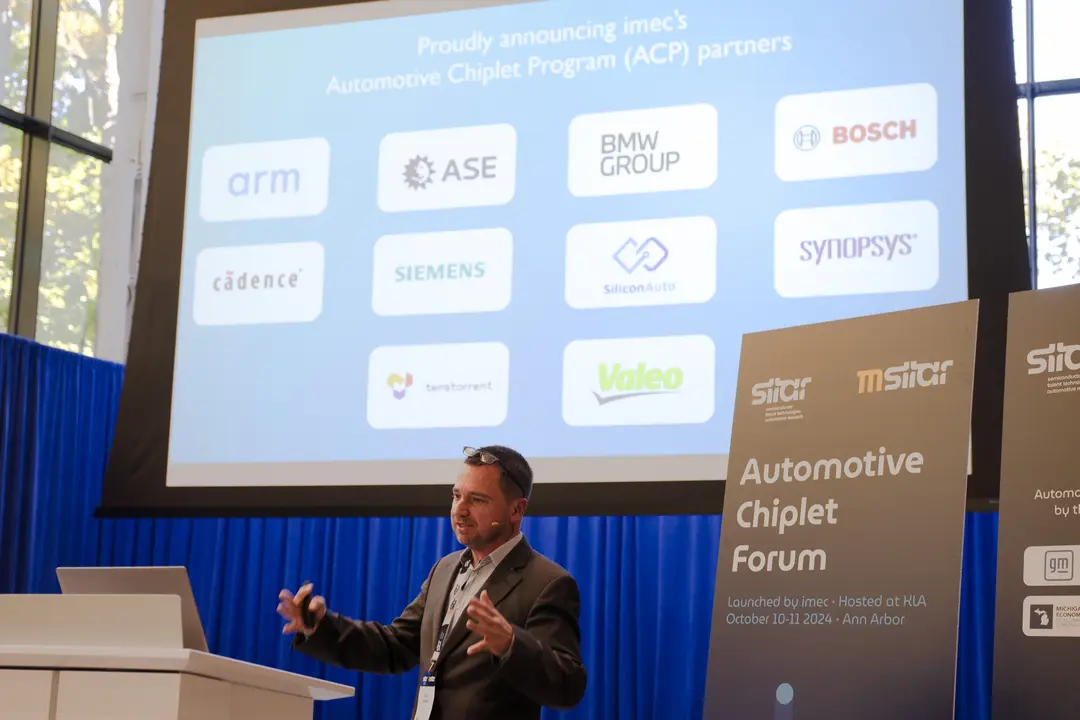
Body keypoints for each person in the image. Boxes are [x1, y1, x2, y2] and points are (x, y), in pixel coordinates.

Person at [277, 445, 587, 719]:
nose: (459, 510)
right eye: (456, 495)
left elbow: (568, 685)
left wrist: (510, 644)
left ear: (516, 509)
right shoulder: (446, 568)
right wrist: (321, 627)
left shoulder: (547, 582)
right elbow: (396, 646)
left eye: (477, 500)